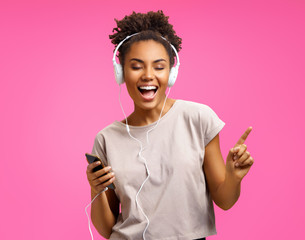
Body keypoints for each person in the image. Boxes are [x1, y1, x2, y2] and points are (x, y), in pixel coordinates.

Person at [86, 10, 254, 240]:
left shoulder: (198, 118)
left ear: (171, 72)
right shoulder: (106, 139)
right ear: (121, 72)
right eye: (136, 66)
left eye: (158, 66)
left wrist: (233, 176)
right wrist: (96, 190)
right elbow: (107, 229)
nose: (148, 75)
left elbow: (224, 200)